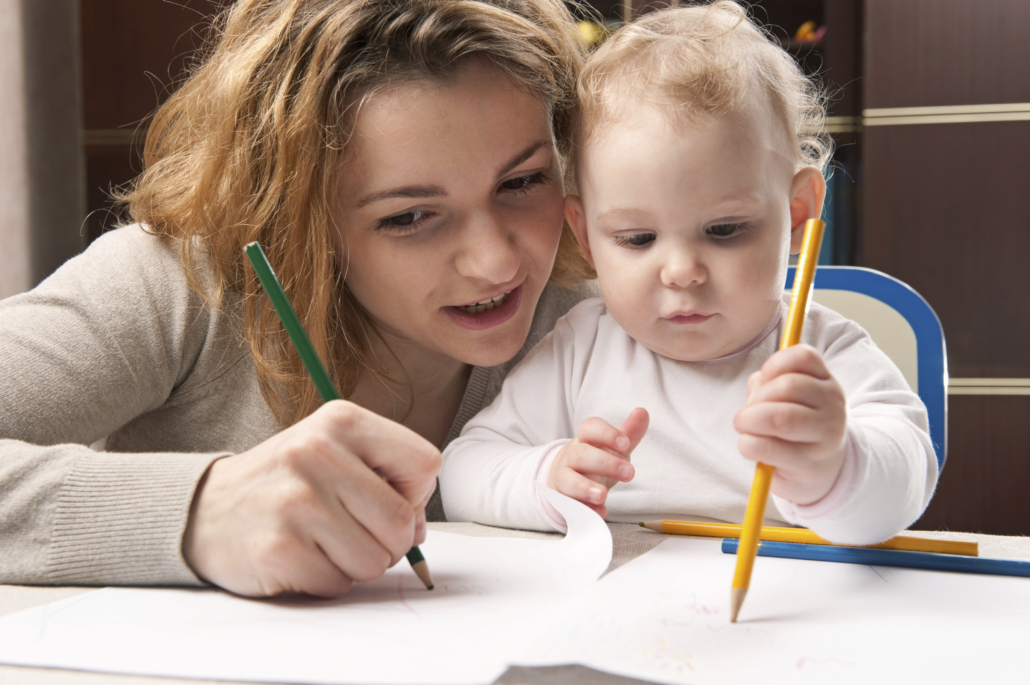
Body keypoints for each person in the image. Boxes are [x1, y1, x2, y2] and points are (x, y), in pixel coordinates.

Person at [0, 0, 596, 597]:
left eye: (522, 182)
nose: (497, 262)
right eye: (410, 216)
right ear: (294, 214)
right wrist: (200, 513)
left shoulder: (610, 309)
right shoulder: (174, 285)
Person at [440, 1, 938, 545]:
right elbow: (460, 473)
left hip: (774, 612)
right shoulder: (579, 350)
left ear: (796, 217)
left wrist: (835, 464)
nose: (681, 272)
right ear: (584, 237)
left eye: (724, 230)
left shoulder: (824, 356)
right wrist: (548, 476)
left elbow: (907, 482)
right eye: (637, 239)